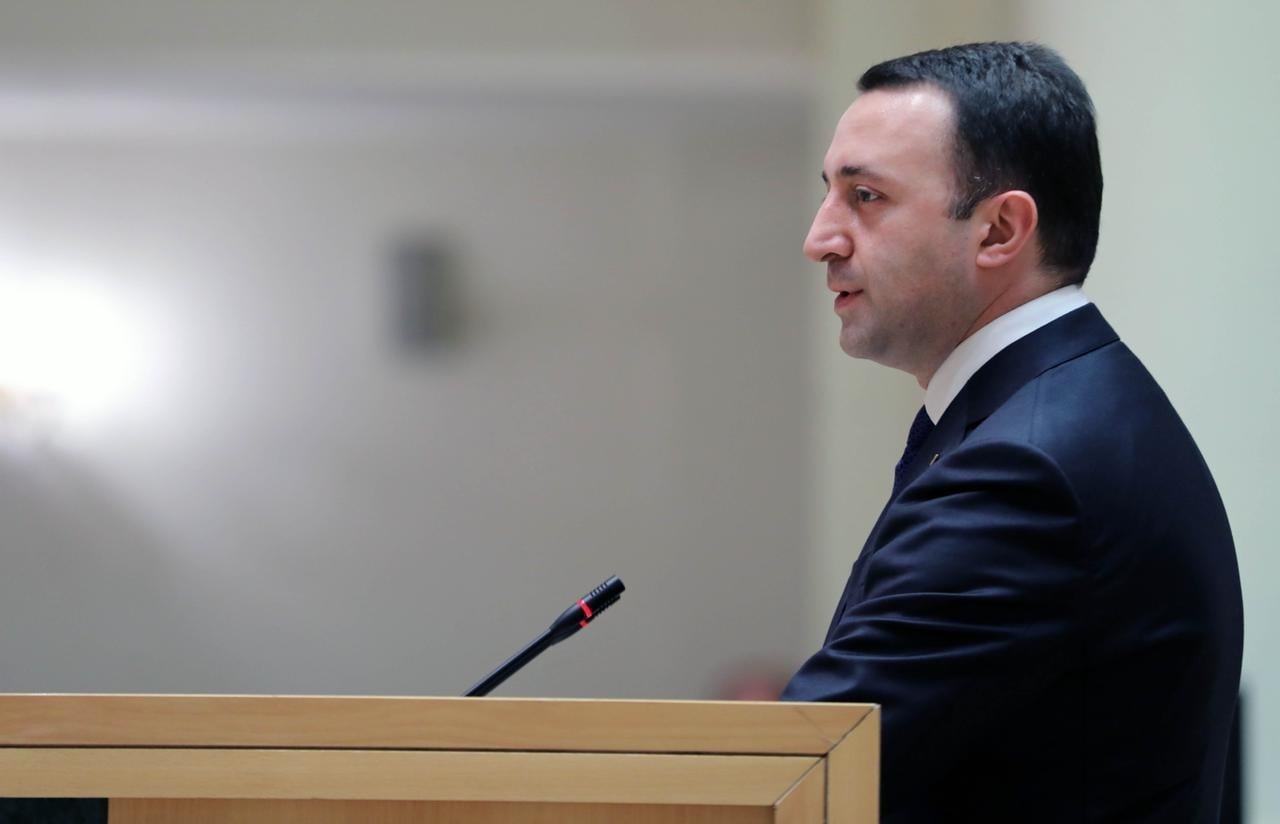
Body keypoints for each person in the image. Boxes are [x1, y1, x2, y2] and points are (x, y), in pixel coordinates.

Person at [780, 42, 1243, 824]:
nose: (820, 238)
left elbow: (805, 774)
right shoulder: (1057, 410)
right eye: (828, 192)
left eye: (865, 196)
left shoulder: (1024, 468)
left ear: (1000, 230)